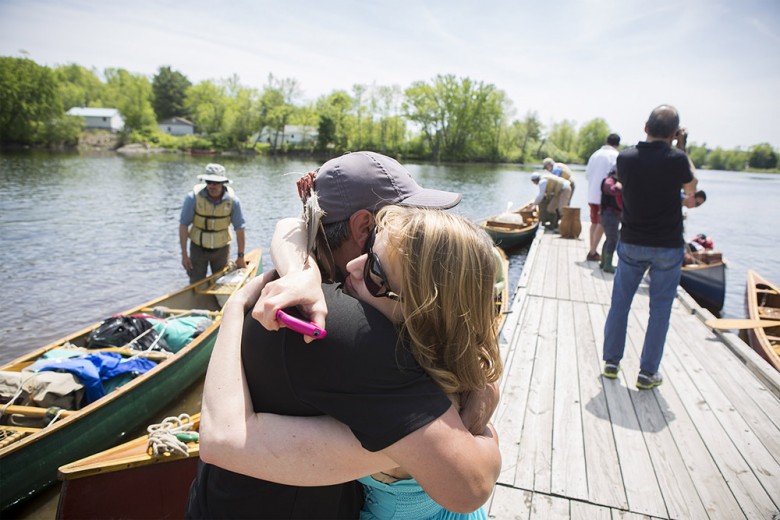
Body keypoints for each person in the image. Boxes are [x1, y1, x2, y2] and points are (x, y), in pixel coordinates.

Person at [187, 152, 502, 519]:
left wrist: (248, 300)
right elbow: (469, 484)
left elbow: (291, 225)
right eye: (402, 216)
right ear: (365, 227)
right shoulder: (345, 326)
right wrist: (471, 423)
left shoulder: (290, 287)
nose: (419, 223)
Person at [602, 105, 698, 390]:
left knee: (620, 303)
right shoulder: (678, 158)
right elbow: (691, 189)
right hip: (667, 245)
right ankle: (647, 373)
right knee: (660, 310)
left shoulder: (626, 157)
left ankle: (611, 362)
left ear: (645, 127)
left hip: (631, 240)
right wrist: (682, 147)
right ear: (673, 133)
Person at [179, 163, 246, 283]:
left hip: (221, 249)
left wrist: (240, 256)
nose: (211, 185)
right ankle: (198, 300)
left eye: (215, 182)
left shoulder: (233, 201)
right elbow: (183, 225)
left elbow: (240, 228)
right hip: (198, 249)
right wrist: (184, 255)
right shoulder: (192, 198)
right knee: (196, 282)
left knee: (222, 281)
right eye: (208, 182)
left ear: (223, 183)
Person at [584, 134, 621, 262]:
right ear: (618, 144)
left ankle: (592, 250)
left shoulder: (595, 154)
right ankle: (593, 251)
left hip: (592, 193)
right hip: (605, 196)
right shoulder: (616, 156)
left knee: (594, 222)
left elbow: (587, 174)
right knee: (602, 223)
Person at [599, 167, 622, 273]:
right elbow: (613, 190)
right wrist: (620, 186)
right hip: (609, 214)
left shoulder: (616, 180)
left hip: (613, 214)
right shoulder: (609, 180)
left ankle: (603, 262)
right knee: (612, 238)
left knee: (610, 238)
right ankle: (607, 264)